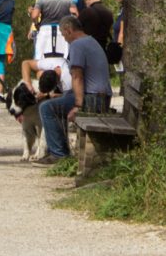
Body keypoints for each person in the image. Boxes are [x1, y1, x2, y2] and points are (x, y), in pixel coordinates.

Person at [40, 17, 112, 160]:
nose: (64, 38)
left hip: (93, 98)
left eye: (63, 33)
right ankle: (61, 150)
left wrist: (78, 106)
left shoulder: (77, 45)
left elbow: (77, 76)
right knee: (61, 100)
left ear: (69, 29)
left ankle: (58, 154)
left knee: (47, 108)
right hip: (101, 96)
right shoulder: (90, 41)